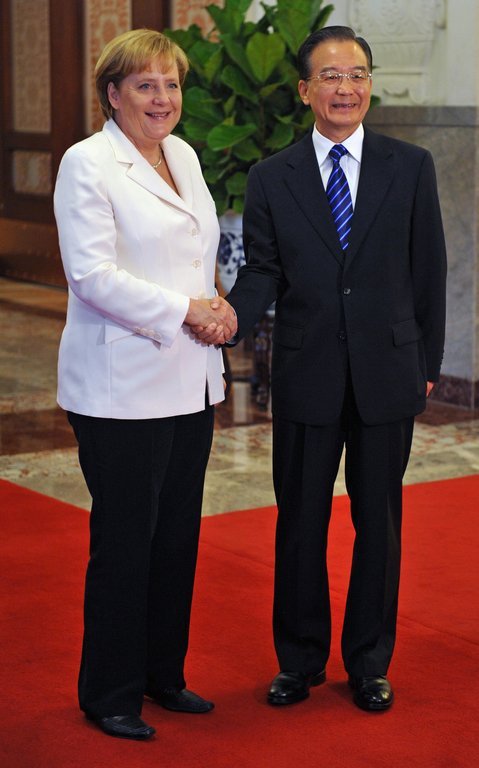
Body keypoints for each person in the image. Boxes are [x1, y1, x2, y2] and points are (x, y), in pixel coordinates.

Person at [199, 26, 447, 712]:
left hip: (386, 373)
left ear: (370, 86)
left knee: (380, 526)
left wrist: (425, 362)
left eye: (357, 75)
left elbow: (428, 270)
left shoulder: (410, 166)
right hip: (307, 372)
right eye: (331, 76)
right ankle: (299, 661)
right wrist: (227, 319)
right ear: (305, 89)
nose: (346, 88)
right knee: (300, 524)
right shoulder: (271, 176)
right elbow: (263, 273)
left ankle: (369, 662)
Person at [53, 29, 237, 740]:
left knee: (176, 539)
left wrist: (216, 302)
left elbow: (192, 252)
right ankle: (110, 692)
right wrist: (187, 310)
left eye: (171, 84)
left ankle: (164, 675)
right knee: (127, 542)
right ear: (113, 94)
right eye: (145, 85)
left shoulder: (182, 154)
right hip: (120, 384)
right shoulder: (87, 162)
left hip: (189, 378)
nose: (162, 99)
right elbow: (92, 276)